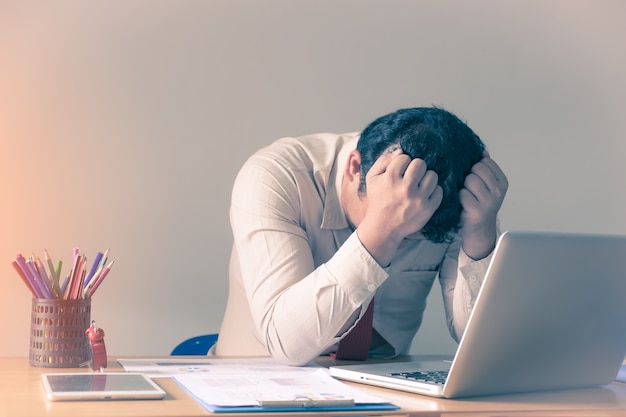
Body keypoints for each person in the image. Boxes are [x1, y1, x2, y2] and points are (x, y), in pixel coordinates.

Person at [214, 106, 508, 366]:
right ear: (355, 168)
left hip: (383, 388)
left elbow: (482, 346)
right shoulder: (278, 176)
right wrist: (382, 230)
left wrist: (480, 236)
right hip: (255, 383)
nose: (403, 241)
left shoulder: (452, 194)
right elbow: (286, 344)